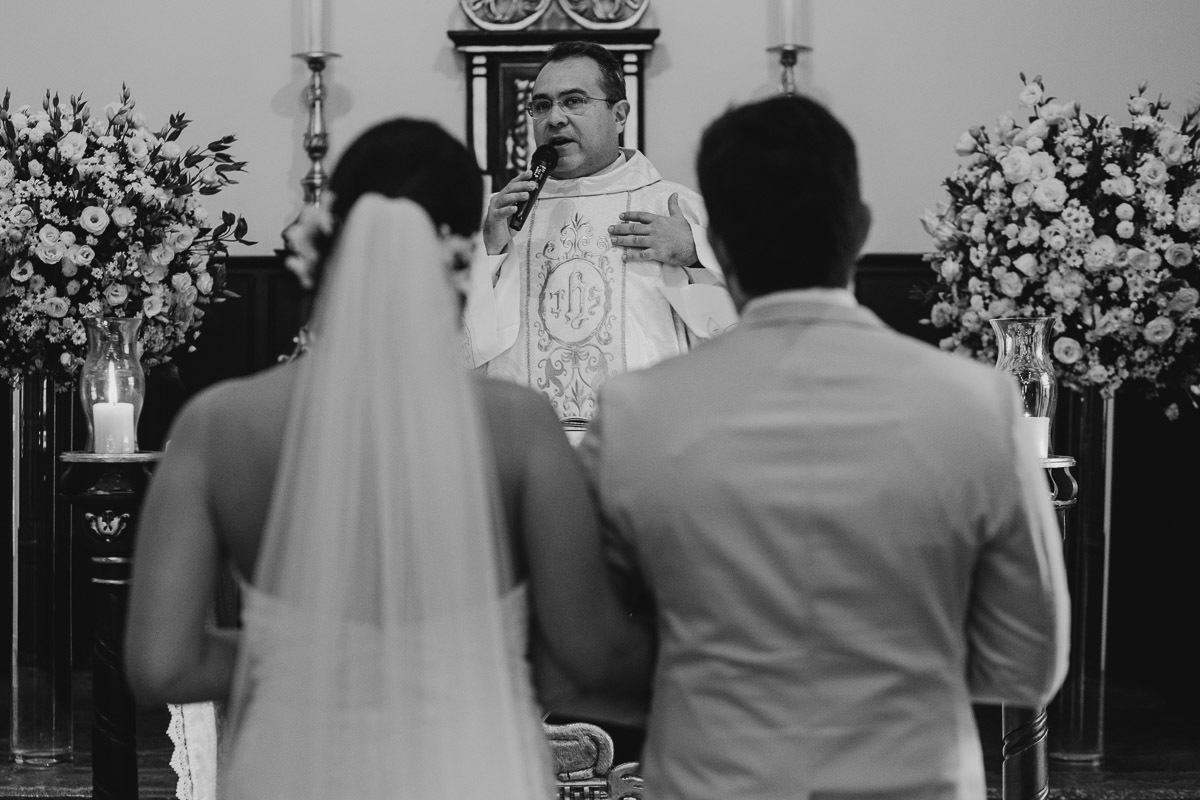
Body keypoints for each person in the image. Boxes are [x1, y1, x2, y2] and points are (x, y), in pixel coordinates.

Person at [123, 118, 653, 799]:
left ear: (330, 239)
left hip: (292, 769)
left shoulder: (217, 424)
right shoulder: (517, 427)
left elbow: (161, 665)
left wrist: (308, 657)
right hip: (467, 767)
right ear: (462, 253)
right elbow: (585, 654)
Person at [577, 94, 1071, 800]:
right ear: (861, 228)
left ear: (718, 246)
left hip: (713, 777)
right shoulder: (977, 405)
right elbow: (1028, 665)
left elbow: (587, 651)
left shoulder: (635, 413)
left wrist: (704, 688)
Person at [462, 40, 735, 436]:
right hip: (525, 445)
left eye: (574, 101)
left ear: (619, 114)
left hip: (643, 442)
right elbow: (455, 349)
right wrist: (489, 253)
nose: (554, 118)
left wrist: (695, 254)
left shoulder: (674, 207)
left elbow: (737, 338)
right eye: (541, 106)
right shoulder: (497, 217)